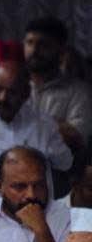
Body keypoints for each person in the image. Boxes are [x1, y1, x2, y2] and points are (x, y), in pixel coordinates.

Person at [0, 60, 72, 197]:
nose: (2, 98)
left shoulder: (43, 125)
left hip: (35, 212)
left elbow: (65, 163)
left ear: (26, 94)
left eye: (11, 92)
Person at [24, 15, 92, 151]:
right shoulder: (6, 87)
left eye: (43, 44)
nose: (34, 50)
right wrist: (58, 125)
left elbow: (76, 138)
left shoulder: (79, 92)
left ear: (61, 50)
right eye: (29, 42)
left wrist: (22, 121)